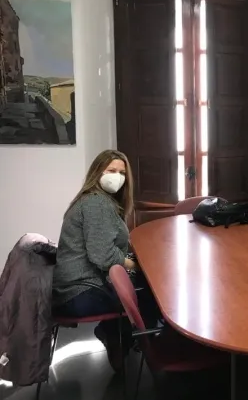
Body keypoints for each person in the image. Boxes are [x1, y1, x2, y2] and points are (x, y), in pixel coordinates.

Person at [52, 149, 158, 372]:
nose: (117, 177)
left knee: (144, 283)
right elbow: (102, 256)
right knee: (154, 293)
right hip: (79, 291)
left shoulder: (100, 200)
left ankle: (117, 335)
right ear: (97, 172)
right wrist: (135, 265)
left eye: (122, 173)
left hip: (77, 286)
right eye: (111, 171)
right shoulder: (96, 203)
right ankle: (148, 345)